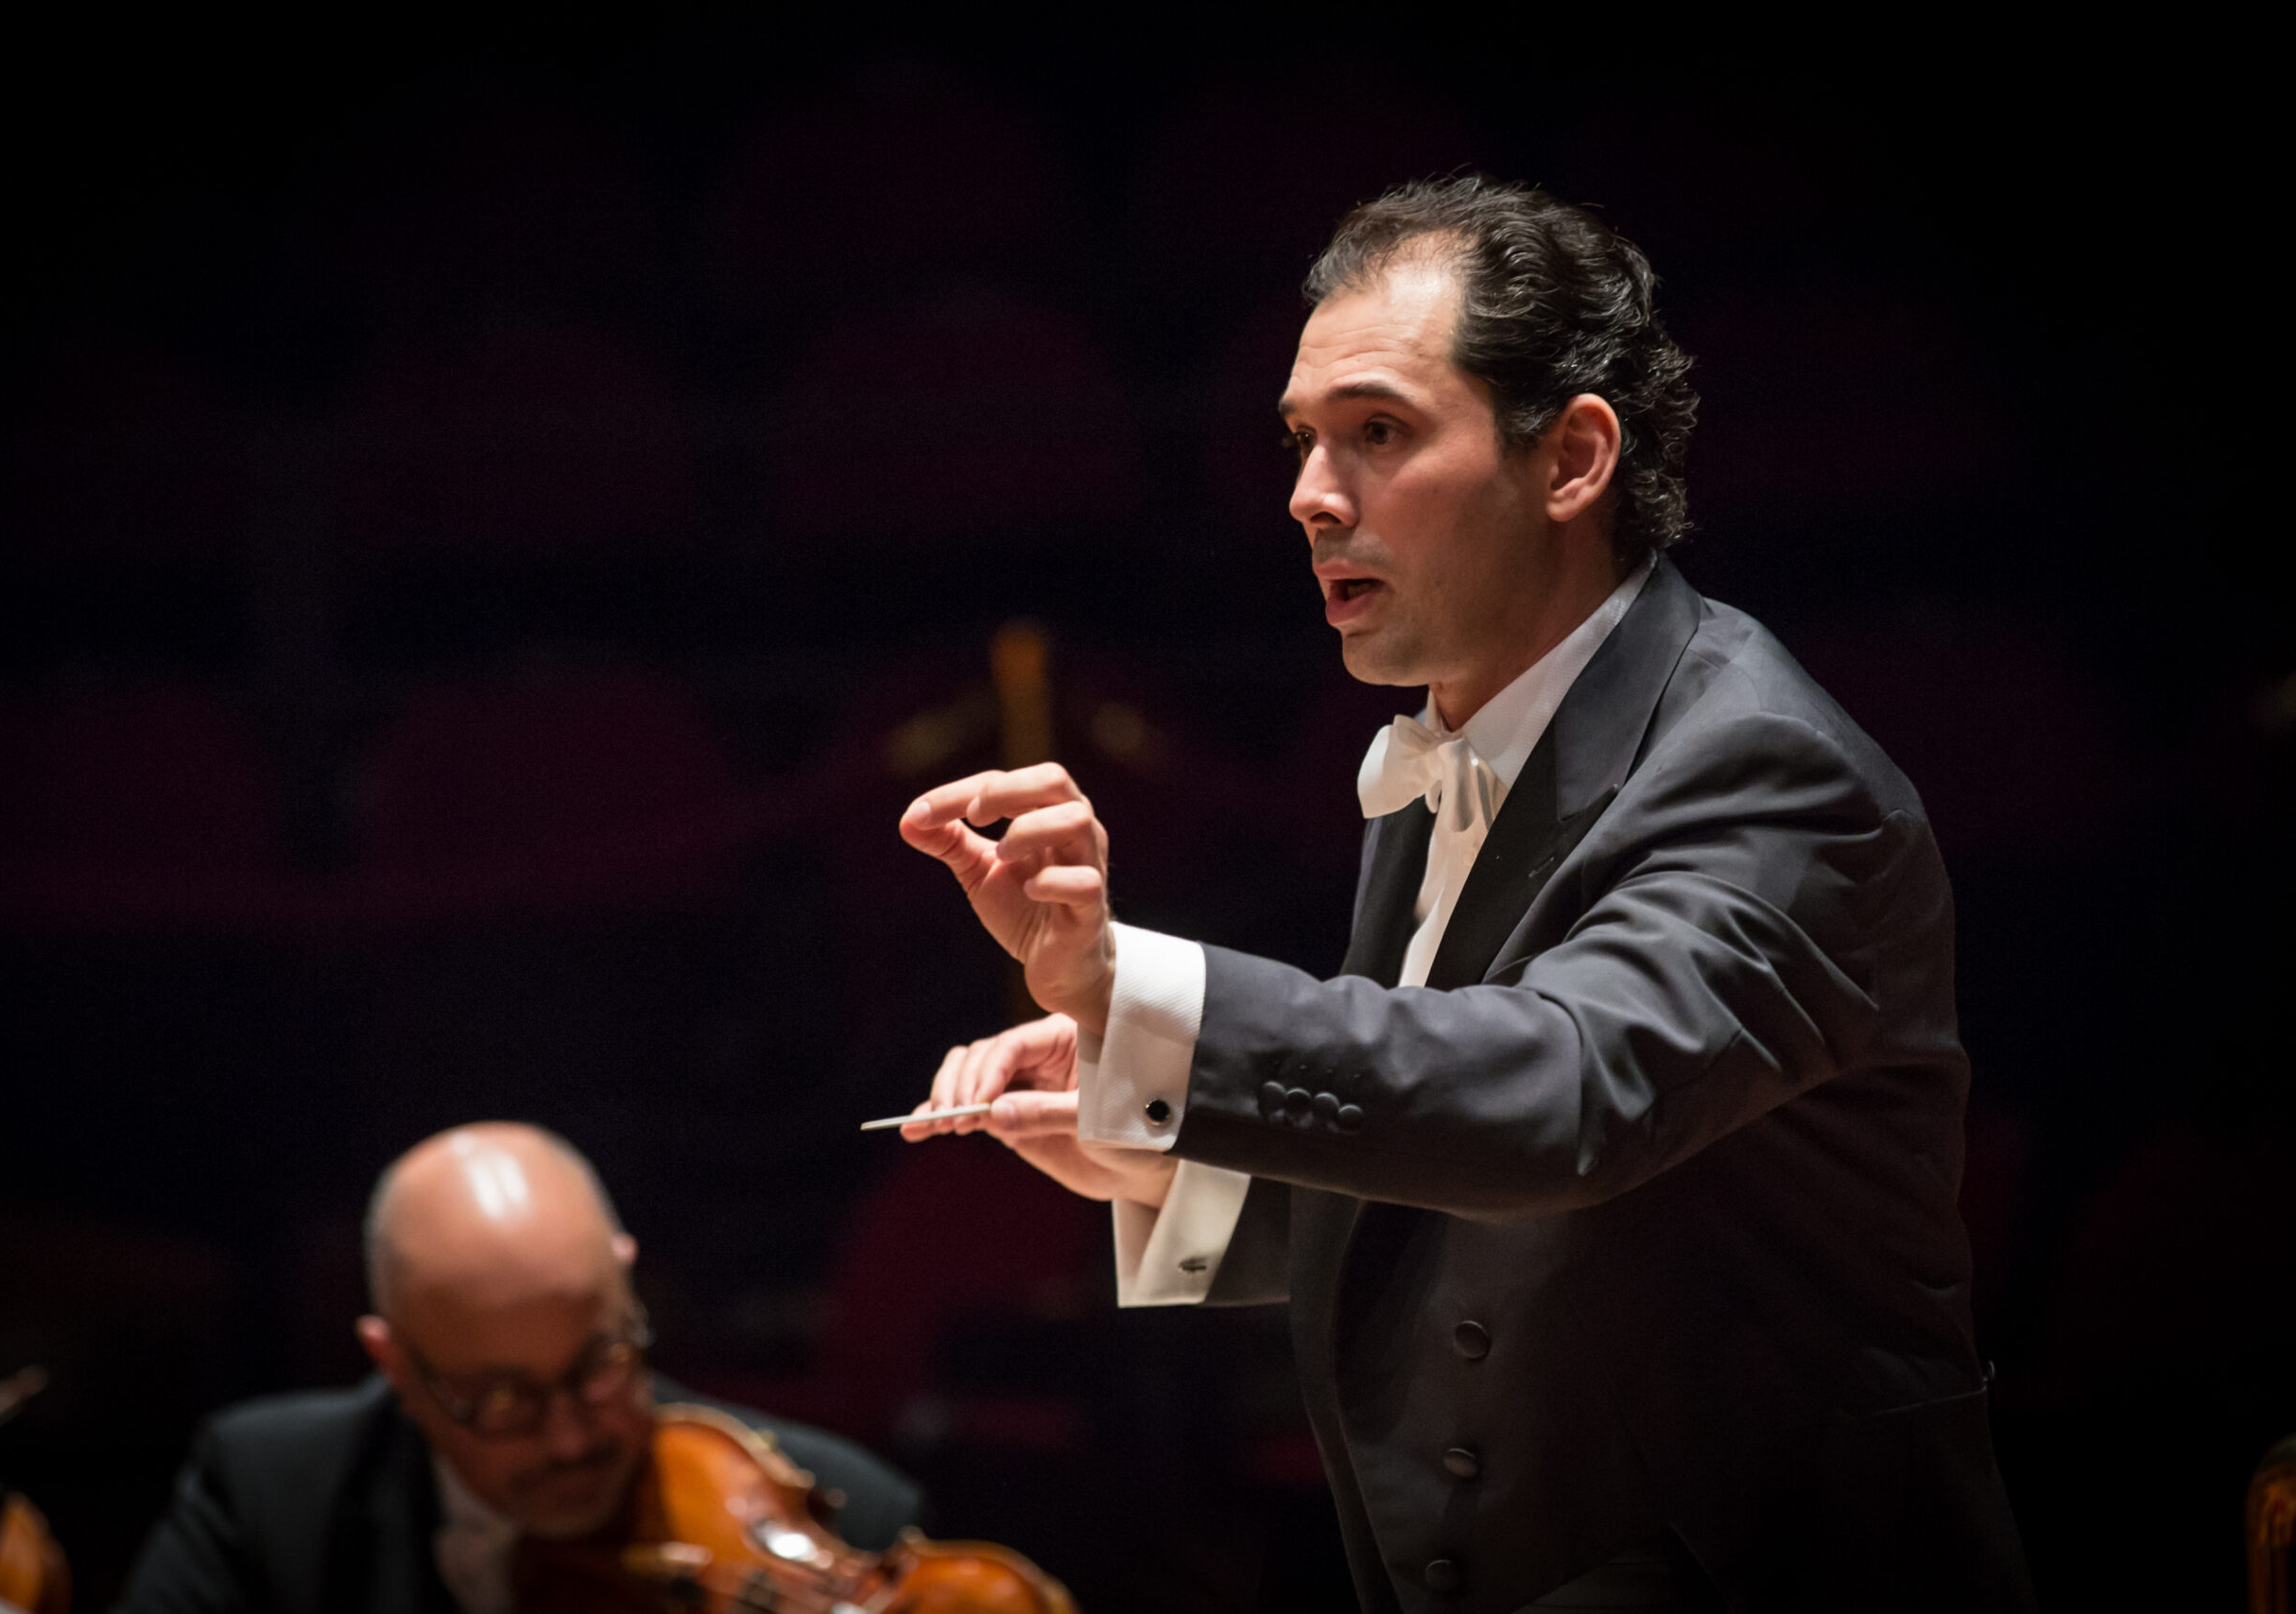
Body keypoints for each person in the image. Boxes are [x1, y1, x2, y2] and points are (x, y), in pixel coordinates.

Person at [897, 178, 2035, 1611]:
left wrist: (1141, 988)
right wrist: (1167, 1149)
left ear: (1570, 457)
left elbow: (1564, 1096)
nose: (1311, 493)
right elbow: (1498, 1205)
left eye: (1378, 432)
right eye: (1303, 440)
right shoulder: (1464, 739)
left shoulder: (1764, 768)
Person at [116, 1122, 920, 1614]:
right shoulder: (267, 1496)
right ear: (393, 1362)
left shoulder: (846, 1518)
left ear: (626, 1285)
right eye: (501, 1399)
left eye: (598, 1363)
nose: (570, 1437)